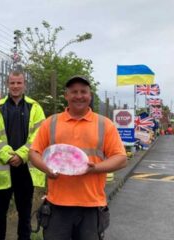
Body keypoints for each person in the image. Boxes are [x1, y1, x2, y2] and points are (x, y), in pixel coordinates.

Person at [29, 76, 127, 240]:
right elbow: (34, 153)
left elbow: (121, 158)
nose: (79, 96)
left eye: (83, 91)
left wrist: (95, 168)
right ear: (66, 96)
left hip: (91, 206)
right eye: (74, 92)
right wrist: (47, 169)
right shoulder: (51, 123)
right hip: (57, 205)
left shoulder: (104, 124)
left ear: (90, 95)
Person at [0, 68, 46, 240]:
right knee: (0, 214)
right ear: (7, 84)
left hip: (25, 169)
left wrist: (21, 155)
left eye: (19, 83)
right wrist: (7, 155)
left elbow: (39, 135)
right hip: (3, 169)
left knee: (25, 214)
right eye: (12, 83)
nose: (15, 86)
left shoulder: (35, 107)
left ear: (24, 85)